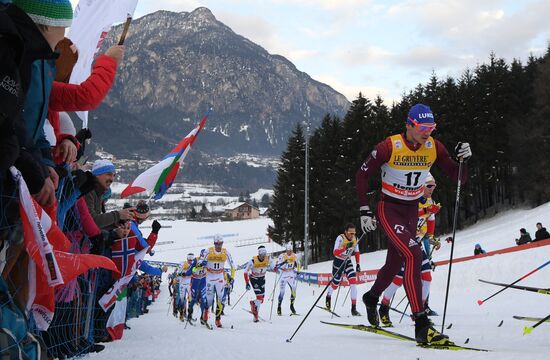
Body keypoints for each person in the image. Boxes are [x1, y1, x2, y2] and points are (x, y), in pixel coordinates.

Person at [357, 103, 470, 345]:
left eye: (432, 127)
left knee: (394, 262)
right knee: (413, 254)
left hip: (411, 212)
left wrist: (463, 160)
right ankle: (421, 323)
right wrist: (364, 210)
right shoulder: (390, 146)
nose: (427, 132)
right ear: (409, 125)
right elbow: (362, 174)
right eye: (422, 127)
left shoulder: (433, 147)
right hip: (389, 208)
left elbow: (458, 176)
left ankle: (371, 296)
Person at [379, 174, 442, 326]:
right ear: (421, 186)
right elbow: (412, 215)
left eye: (434, 186)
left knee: (427, 277)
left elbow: (430, 219)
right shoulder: (410, 199)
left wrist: (431, 236)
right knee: (399, 279)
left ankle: (419, 312)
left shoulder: (429, 201)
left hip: (418, 242)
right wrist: (427, 210)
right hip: (404, 243)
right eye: (429, 186)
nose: (432, 189)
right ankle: (384, 307)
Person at [85, 159, 134, 230]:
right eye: (109, 174)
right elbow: (90, 222)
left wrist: (118, 222)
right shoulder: (88, 191)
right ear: (97, 175)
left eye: (114, 175)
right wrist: (118, 215)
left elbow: (97, 225)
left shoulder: (99, 193)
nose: (112, 179)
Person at [325, 223, 362, 316]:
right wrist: (345, 247)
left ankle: (354, 308)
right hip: (338, 261)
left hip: (347, 261)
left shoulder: (355, 239)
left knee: (353, 282)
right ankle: (328, 296)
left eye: (354, 233)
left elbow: (357, 252)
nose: (352, 235)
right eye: (350, 233)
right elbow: (335, 252)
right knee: (335, 283)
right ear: (345, 232)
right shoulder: (340, 238)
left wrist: (358, 264)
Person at [202, 234, 235, 327]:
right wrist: (202, 263)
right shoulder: (208, 251)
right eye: (217, 244)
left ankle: (218, 319)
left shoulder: (225, 252)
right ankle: (205, 312)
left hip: (220, 276)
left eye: (220, 243)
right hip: (209, 276)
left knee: (221, 298)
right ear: (214, 243)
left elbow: (233, 266)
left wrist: (232, 277)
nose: (218, 246)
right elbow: (201, 261)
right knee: (209, 300)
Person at [243, 245, 274, 322]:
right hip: (254, 279)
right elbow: (245, 272)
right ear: (259, 254)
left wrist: (276, 268)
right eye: (262, 255)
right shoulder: (253, 261)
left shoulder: (268, 258)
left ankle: (253, 303)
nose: (263, 256)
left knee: (261, 300)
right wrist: (247, 283)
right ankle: (255, 316)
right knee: (259, 298)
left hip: (262, 279)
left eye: (264, 254)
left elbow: (273, 266)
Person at [276, 242, 300, 316]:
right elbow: (277, 266)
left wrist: (298, 271)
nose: (289, 252)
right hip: (283, 275)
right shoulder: (282, 256)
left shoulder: (294, 255)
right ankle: (279, 307)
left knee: (294, 289)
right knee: (282, 292)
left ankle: (292, 306)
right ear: (286, 250)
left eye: (290, 251)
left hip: (291, 274)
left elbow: (298, 263)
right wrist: (284, 262)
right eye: (288, 251)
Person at [188, 249, 208, 323]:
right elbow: (191, 269)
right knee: (193, 298)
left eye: (205, 255)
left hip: (203, 280)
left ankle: (202, 317)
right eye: (203, 255)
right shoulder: (195, 259)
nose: (204, 256)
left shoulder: (207, 260)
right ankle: (190, 314)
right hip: (195, 280)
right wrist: (195, 268)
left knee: (203, 299)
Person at [174, 254, 194, 321]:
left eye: (191, 260)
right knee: (182, 300)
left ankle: (190, 315)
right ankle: (181, 314)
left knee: (190, 300)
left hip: (189, 284)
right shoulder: (183, 264)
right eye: (189, 260)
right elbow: (178, 273)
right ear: (187, 259)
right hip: (182, 284)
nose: (190, 261)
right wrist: (181, 274)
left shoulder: (193, 264)